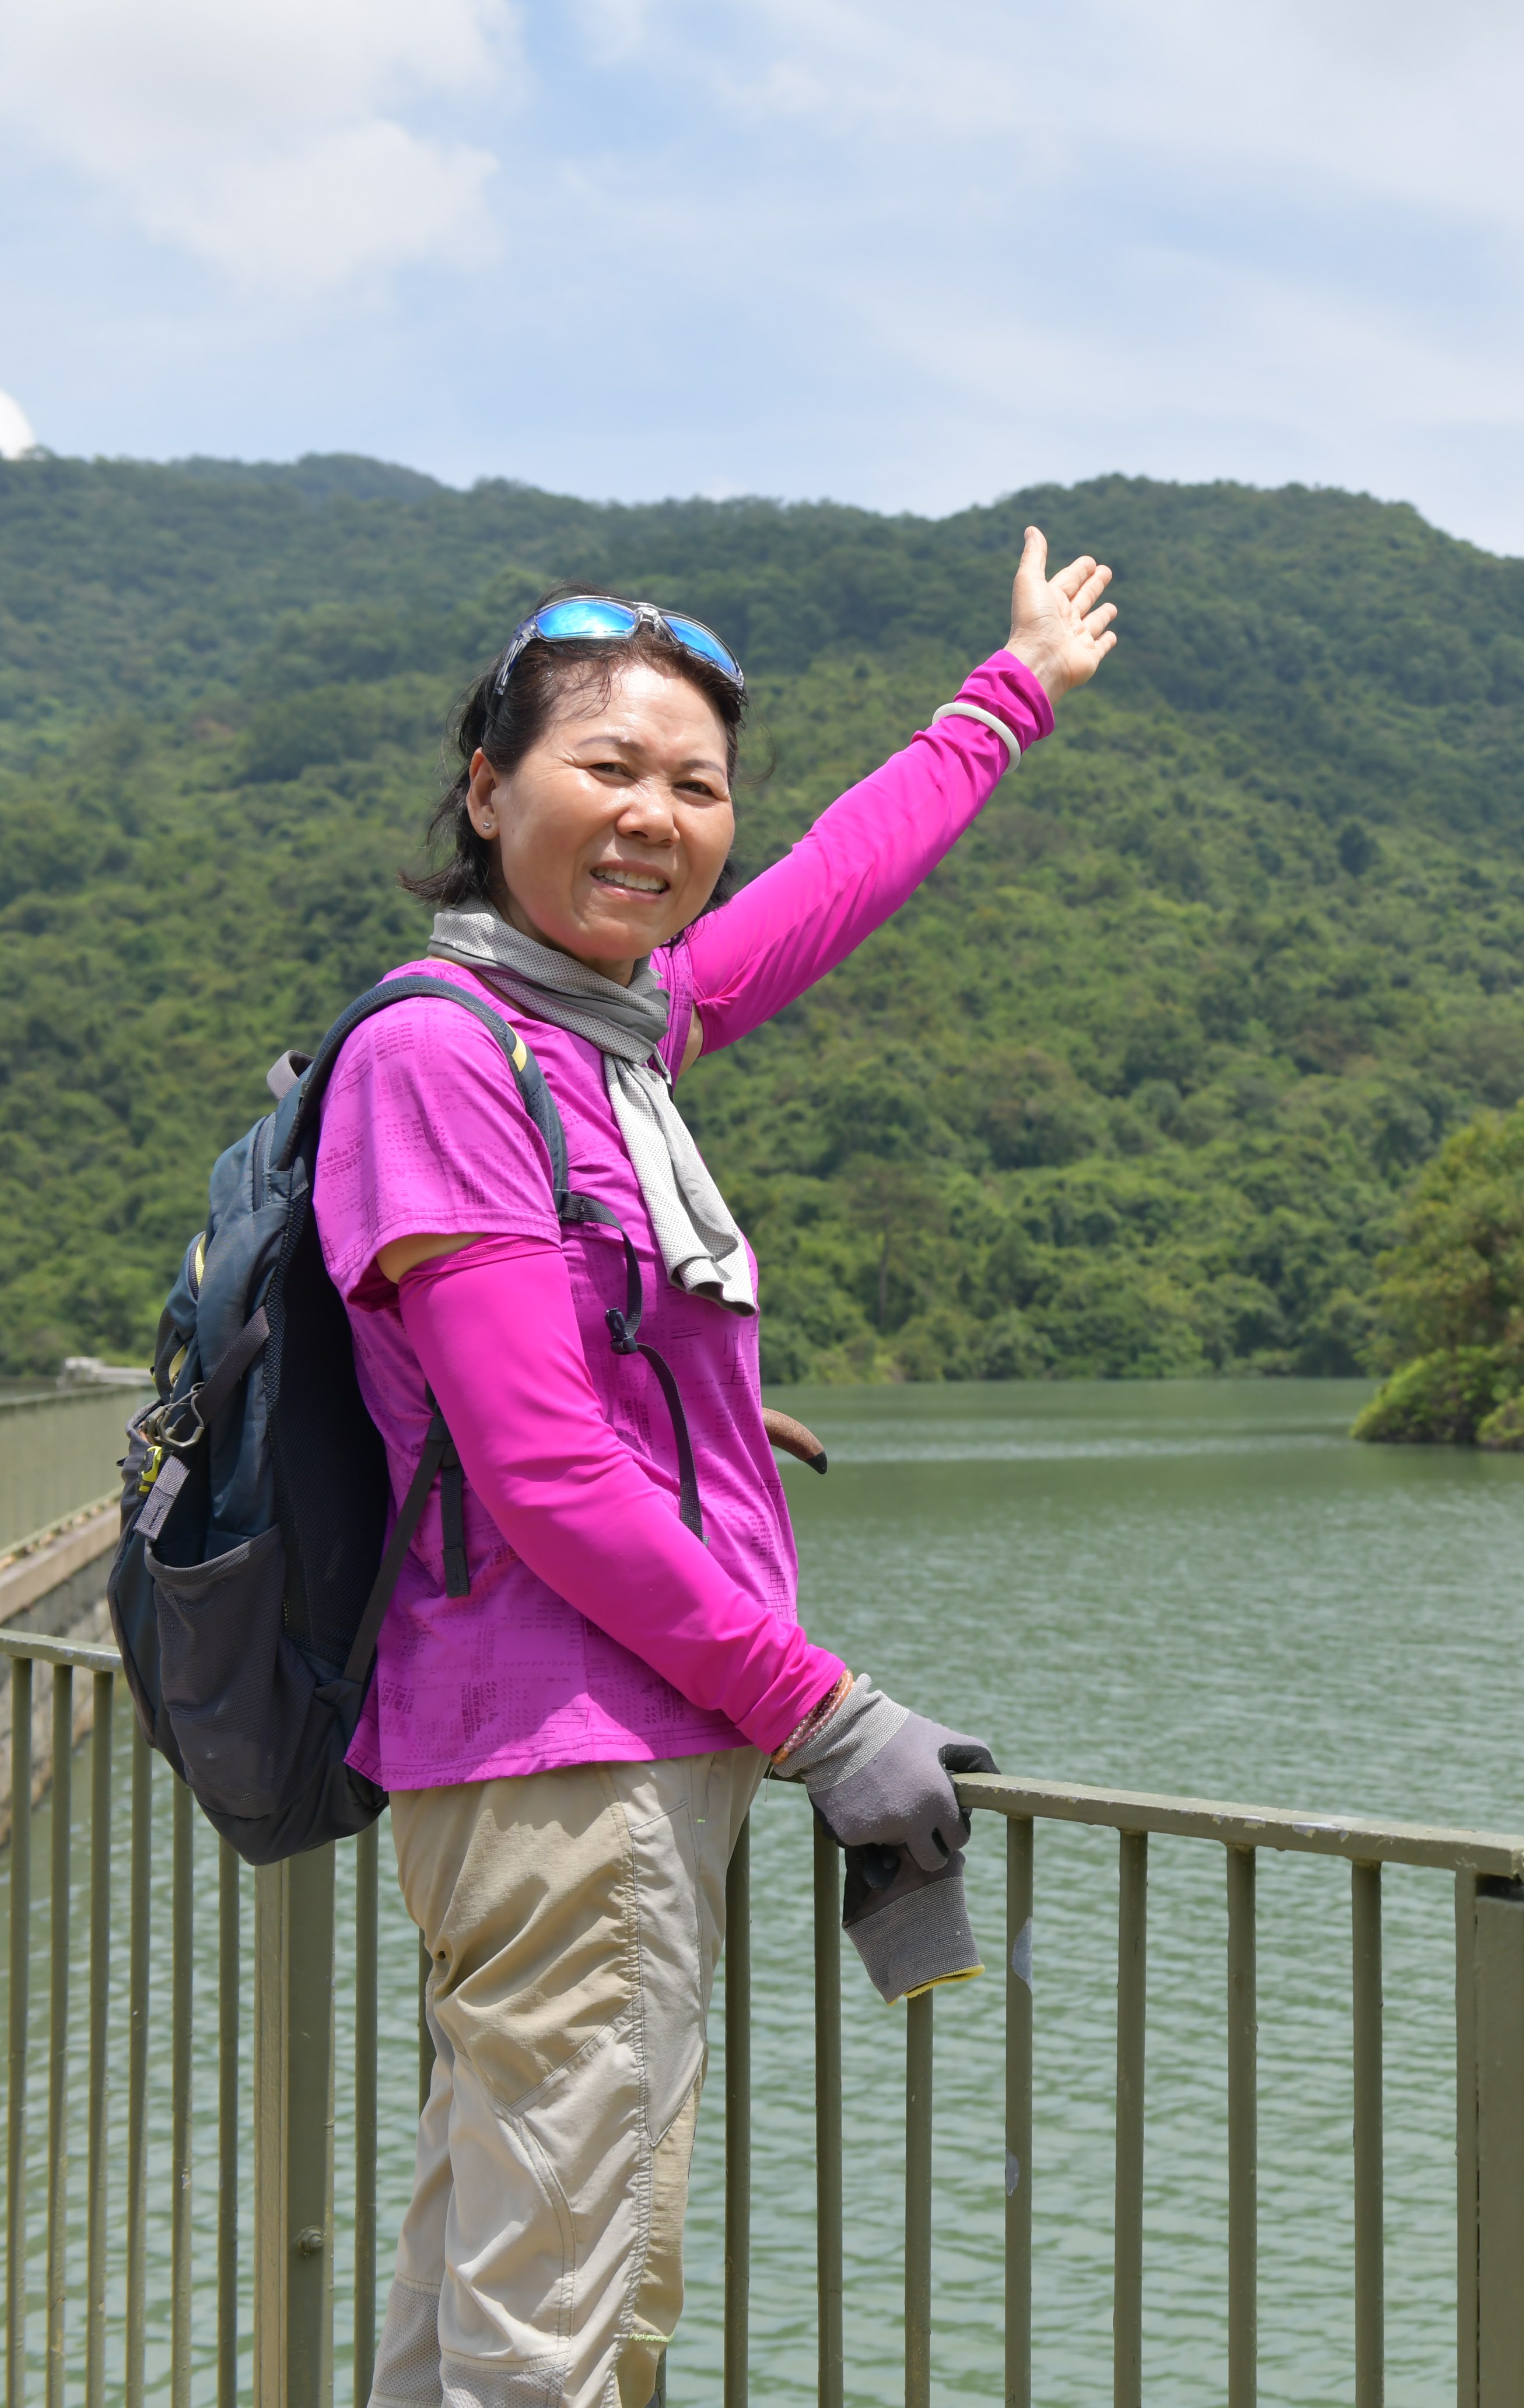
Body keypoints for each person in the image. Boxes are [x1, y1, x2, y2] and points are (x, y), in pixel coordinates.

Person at [314, 533, 1117, 2408]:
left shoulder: (606, 1037)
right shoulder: (452, 1057)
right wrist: (824, 1714)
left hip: (582, 1755)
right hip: (568, 1760)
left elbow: (830, 888)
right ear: (488, 789)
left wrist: (1007, 696)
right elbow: (541, 1472)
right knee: (562, 2332)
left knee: (485, 2289)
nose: (654, 818)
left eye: (695, 785)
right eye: (606, 768)